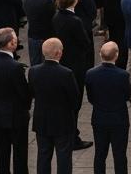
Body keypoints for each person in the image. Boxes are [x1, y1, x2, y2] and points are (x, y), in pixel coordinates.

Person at [31, 38, 80, 174]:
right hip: (62, 122)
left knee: (43, 156)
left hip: (41, 121)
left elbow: (33, 92)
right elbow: (75, 99)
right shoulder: (66, 73)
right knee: (64, 157)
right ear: (59, 53)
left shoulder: (33, 71)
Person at [0, 27, 31, 174]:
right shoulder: (15, 67)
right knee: (20, 153)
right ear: (11, 44)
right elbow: (24, 93)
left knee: (1, 153)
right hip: (16, 116)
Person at [84, 42, 131, 174]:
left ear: (100, 54)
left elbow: (90, 97)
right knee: (120, 155)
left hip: (99, 118)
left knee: (100, 154)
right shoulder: (123, 75)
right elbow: (127, 95)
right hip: (119, 119)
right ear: (116, 55)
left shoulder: (90, 73)